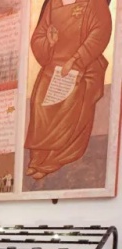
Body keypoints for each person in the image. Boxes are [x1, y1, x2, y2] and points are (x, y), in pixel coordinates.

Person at [25, 0, 112, 180]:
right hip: (54, 65)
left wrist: (76, 59)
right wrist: (49, 42)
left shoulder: (94, 3)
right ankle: (38, 157)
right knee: (39, 100)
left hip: (83, 66)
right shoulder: (53, 3)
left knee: (71, 100)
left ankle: (54, 159)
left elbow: (101, 32)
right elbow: (38, 36)